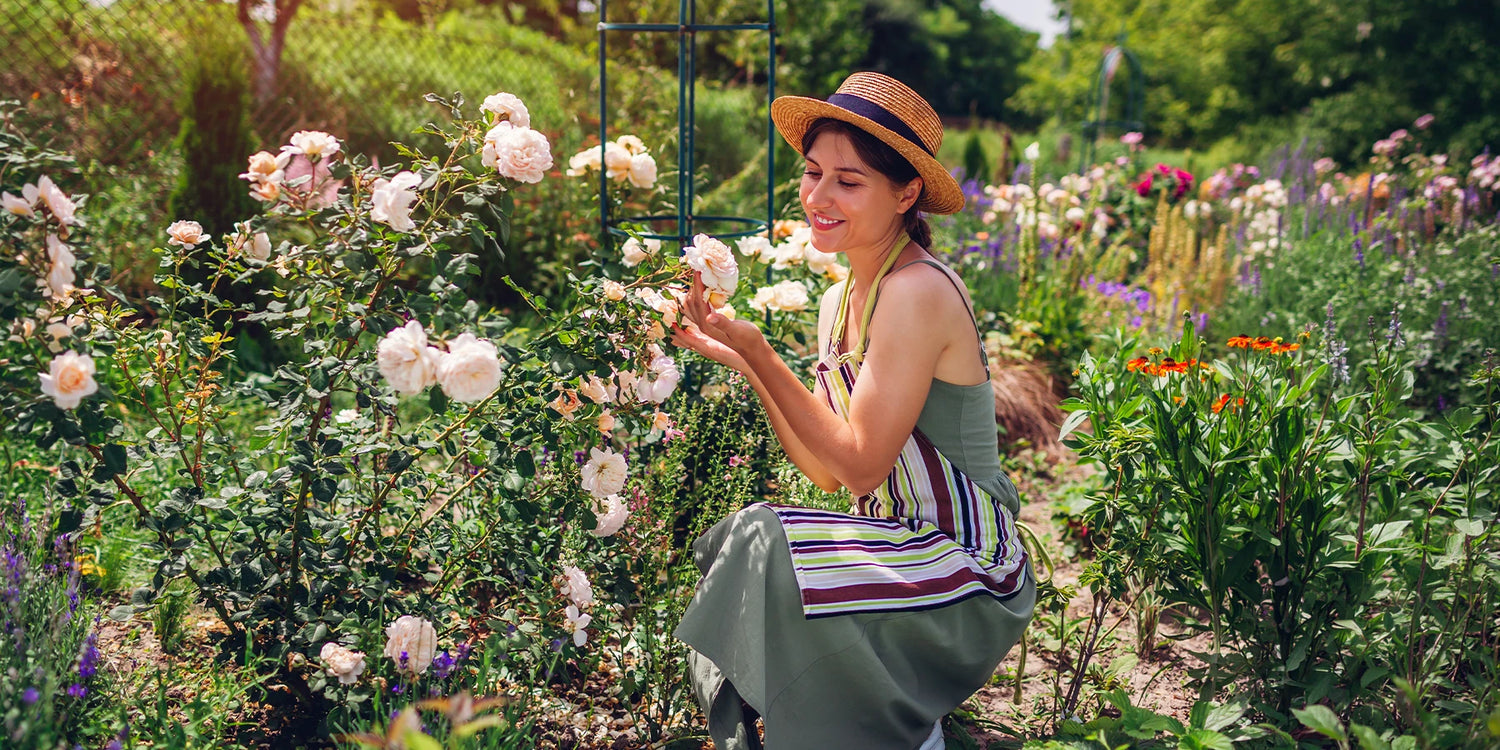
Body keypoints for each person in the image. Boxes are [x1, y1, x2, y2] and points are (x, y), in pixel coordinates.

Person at [670, 71, 1034, 750]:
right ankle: (821, 729)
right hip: (898, 545)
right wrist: (745, 361)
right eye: (812, 173)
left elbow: (861, 467)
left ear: (905, 193)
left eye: (849, 180)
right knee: (741, 542)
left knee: (764, 539)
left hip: (968, 566)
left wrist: (757, 344)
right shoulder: (839, 303)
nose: (818, 197)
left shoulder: (916, 291)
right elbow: (827, 470)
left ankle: (888, 728)